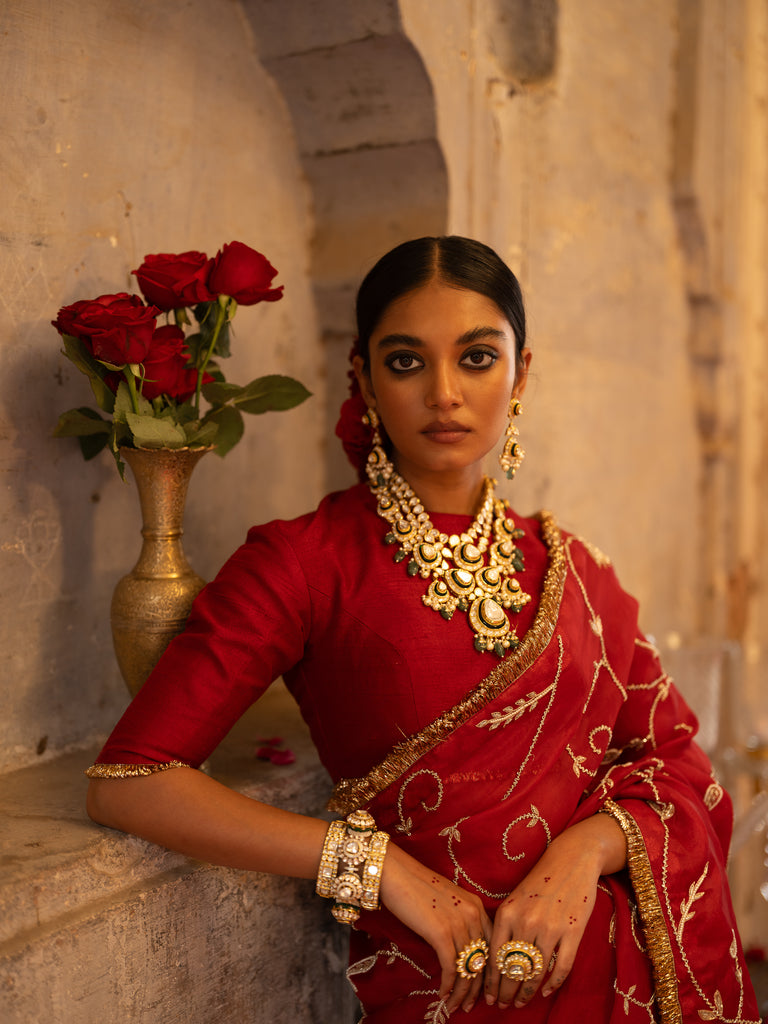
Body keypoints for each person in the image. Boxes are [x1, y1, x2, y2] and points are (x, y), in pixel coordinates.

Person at [86, 236, 759, 1022]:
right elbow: (129, 784)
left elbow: (679, 763)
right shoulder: (303, 563)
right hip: (443, 984)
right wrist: (376, 868)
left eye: (477, 358)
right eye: (407, 362)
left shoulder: (577, 573)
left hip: (612, 980)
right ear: (364, 380)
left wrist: (585, 853)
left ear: (521, 374)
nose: (445, 392)